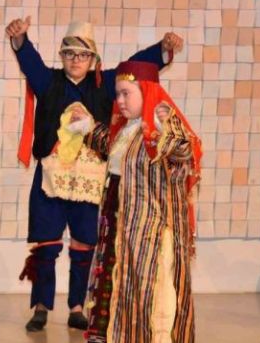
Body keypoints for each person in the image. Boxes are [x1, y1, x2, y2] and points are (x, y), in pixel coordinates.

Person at [5, 16, 183, 331]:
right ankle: (41, 307)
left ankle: (77, 307)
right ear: (61, 56)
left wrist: (163, 50)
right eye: (70, 54)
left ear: (93, 59)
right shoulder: (48, 81)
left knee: (85, 246)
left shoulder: (105, 85)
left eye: (83, 55)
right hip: (51, 180)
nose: (76, 60)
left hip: (90, 180)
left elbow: (135, 65)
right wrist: (20, 39)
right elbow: (29, 61)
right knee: (46, 247)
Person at [79, 59, 201, 343]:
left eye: (126, 93)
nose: (120, 100)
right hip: (118, 228)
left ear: (146, 92)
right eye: (117, 94)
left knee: (149, 295)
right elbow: (111, 147)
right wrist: (87, 128)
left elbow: (186, 150)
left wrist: (164, 128)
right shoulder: (126, 129)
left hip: (148, 233)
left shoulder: (158, 129)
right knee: (116, 287)